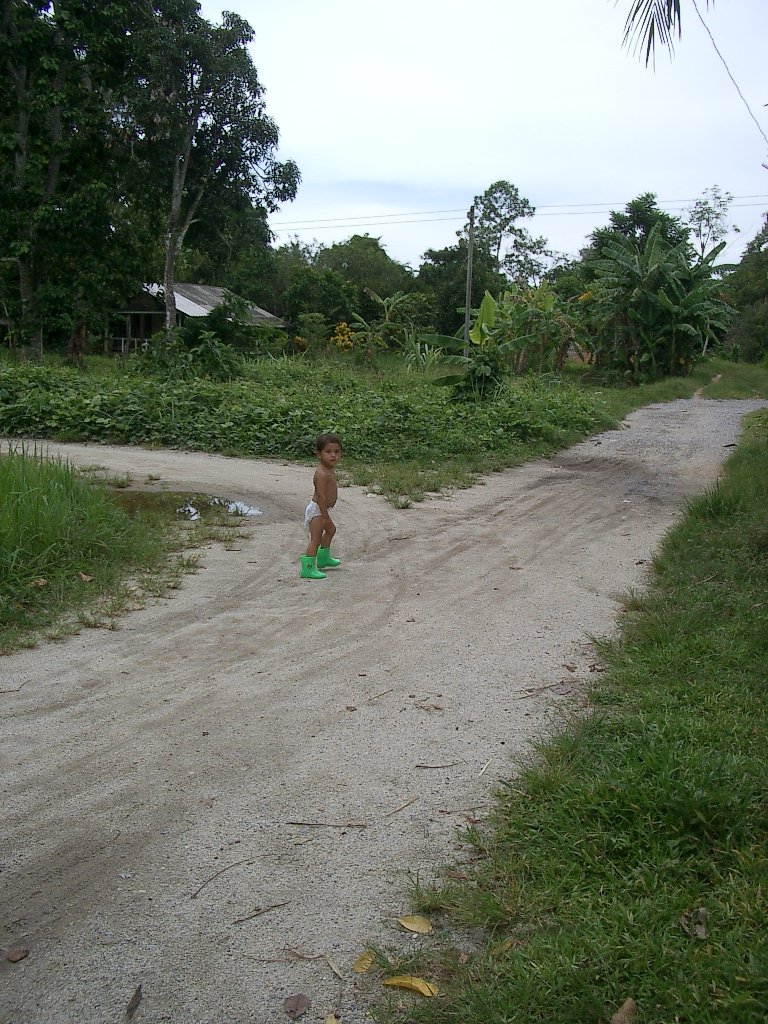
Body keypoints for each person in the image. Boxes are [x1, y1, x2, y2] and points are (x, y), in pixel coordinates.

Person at [300, 433, 342, 579]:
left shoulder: (329, 469)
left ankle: (324, 558)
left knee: (331, 530)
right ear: (319, 454)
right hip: (318, 510)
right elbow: (321, 495)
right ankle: (308, 568)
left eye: (336, 452)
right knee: (315, 539)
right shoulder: (321, 473)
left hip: (323, 510)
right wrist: (324, 515)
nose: (333, 455)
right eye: (328, 452)